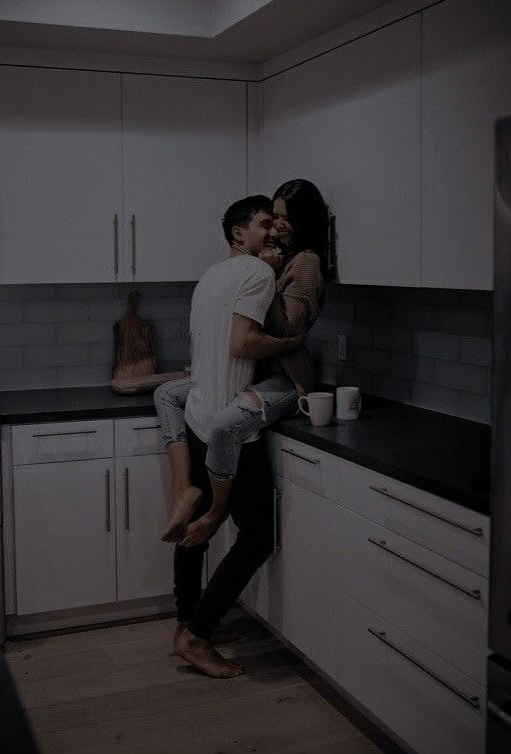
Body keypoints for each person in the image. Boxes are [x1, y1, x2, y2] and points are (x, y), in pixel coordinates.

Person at [168, 195, 303, 678]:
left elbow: (205, 344)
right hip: (231, 424)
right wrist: (295, 345)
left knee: (198, 530)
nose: (273, 233)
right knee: (257, 538)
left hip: (200, 415)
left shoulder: (209, 275)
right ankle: (199, 637)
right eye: (264, 225)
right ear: (237, 233)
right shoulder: (259, 275)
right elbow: (242, 342)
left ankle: (185, 623)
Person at [155, 179, 327, 548]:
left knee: (224, 423)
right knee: (167, 393)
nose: (277, 227)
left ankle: (213, 514)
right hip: (260, 376)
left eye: (283, 219)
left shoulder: (306, 261)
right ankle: (184, 490)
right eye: (271, 220)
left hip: (285, 380)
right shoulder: (267, 265)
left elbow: (287, 325)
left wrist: (266, 274)